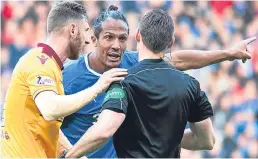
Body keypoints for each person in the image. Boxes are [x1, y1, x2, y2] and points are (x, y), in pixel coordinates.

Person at [60, 5, 256, 158]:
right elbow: (47, 123)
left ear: (133, 37)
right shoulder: (69, 77)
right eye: (109, 38)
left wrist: (227, 54)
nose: (116, 46)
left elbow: (179, 60)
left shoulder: (130, 64)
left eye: (122, 39)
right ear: (94, 39)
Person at [0, 2, 127, 158]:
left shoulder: (52, 67)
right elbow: (50, 109)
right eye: (85, 30)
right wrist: (97, 87)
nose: (87, 40)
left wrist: (76, 155)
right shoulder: (39, 61)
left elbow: (50, 127)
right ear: (73, 30)